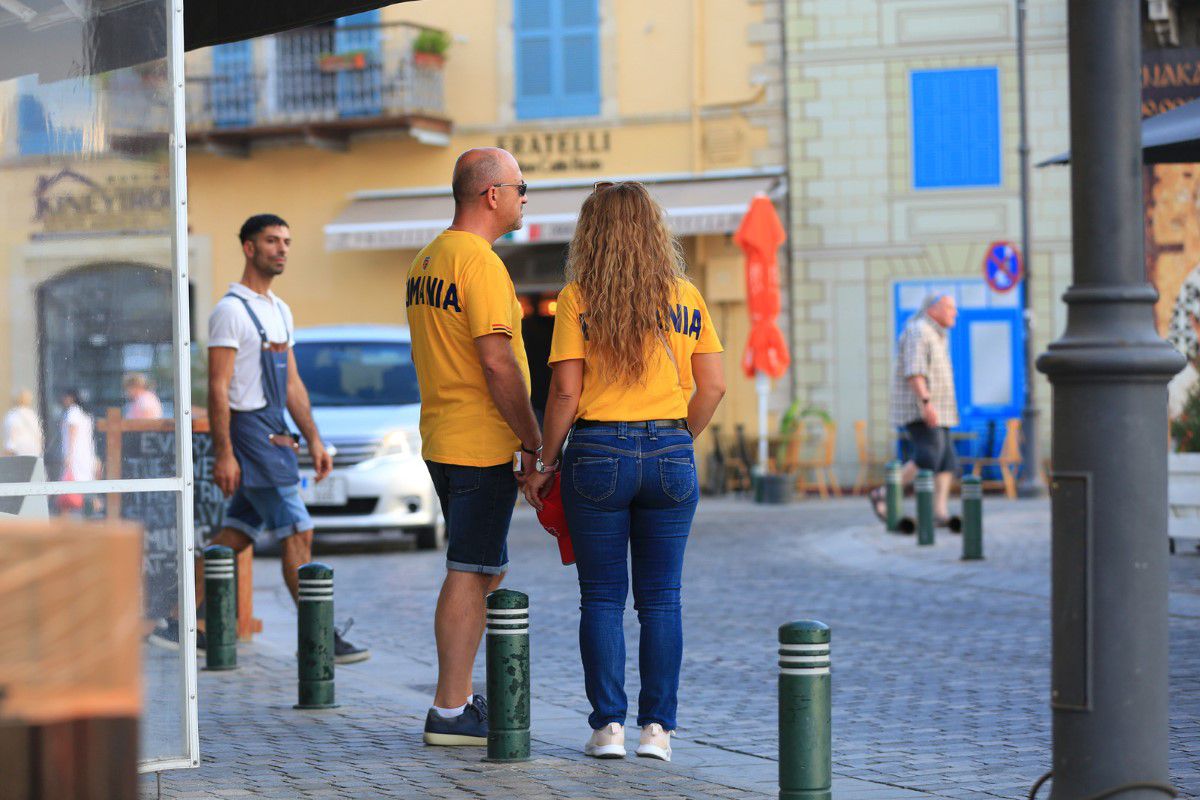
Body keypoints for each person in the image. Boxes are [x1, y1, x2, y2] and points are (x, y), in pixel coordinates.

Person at [523, 181, 726, 762]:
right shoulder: (685, 295)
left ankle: (608, 727)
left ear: (591, 235)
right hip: (670, 449)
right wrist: (678, 439)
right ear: (654, 231)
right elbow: (713, 386)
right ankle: (657, 731)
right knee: (662, 599)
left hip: (597, 453)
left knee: (602, 599)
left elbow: (565, 392)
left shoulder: (578, 298)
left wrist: (544, 461)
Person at [152, 214, 369, 663]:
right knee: (299, 530)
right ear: (249, 248)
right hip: (251, 434)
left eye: (286, 241)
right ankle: (320, 638)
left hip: (277, 433)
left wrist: (314, 439)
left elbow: (292, 384)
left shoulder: (280, 310)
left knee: (235, 534)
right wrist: (224, 454)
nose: (282, 248)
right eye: (272, 241)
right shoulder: (230, 311)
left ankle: (174, 622)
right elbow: (218, 387)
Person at [406, 148, 541, 746]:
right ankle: (451, 708)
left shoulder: (427, 259)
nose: (524, 197)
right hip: (480, 441)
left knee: (483, 563)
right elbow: (496, 362)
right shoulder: (480, 264)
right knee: (471, 568)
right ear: (492, 194)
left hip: (443, 433)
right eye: (520, 186)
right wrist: (533, 438)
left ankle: (454, 699)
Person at [870, 293, 960, 527]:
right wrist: (926, 403)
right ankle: (883, 494)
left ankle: (939, 512)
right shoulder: (919, 330)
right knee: (929, 454)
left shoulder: (938, 335)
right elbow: (914, 371)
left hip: (941, 410)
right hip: (921, 409)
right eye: (950, 308)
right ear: (933, 309)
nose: (955, 313)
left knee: (947, 460)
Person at [3, 388, 43, 457]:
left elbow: (11, 438)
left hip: (18, 454)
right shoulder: (33, 416)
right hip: (34, 453)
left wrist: (7, 452)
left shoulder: (13, 415)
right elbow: (39, 437)